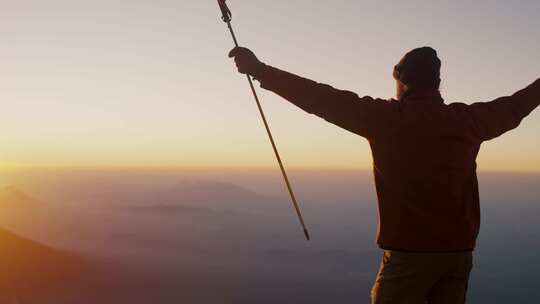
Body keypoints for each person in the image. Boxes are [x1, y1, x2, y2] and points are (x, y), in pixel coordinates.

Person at [228, 46, 540, 304]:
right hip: (458, 256)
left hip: (409, 257)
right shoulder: (468, 121)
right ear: (436, 83)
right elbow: (517, 106)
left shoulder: (386, 119)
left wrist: (261, 70)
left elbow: (320, 98)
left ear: (403, 83)